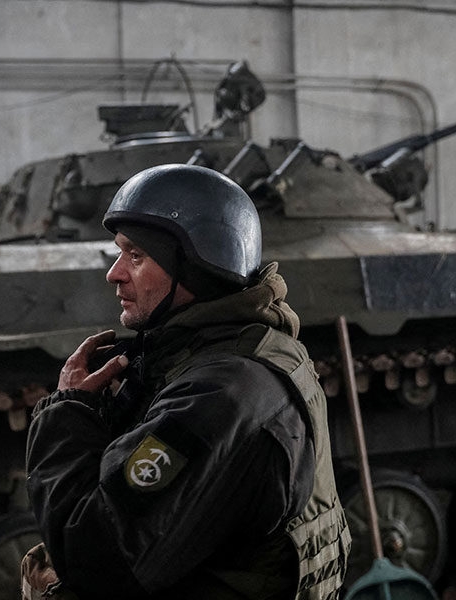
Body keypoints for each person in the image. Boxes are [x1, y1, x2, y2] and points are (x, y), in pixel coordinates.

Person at [23, 163, 350, 599]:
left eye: (136, 256)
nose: (114, 273)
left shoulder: (218, 395)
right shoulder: (252, 345)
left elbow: (92, 557)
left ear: (195, 266)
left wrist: (67, 413)